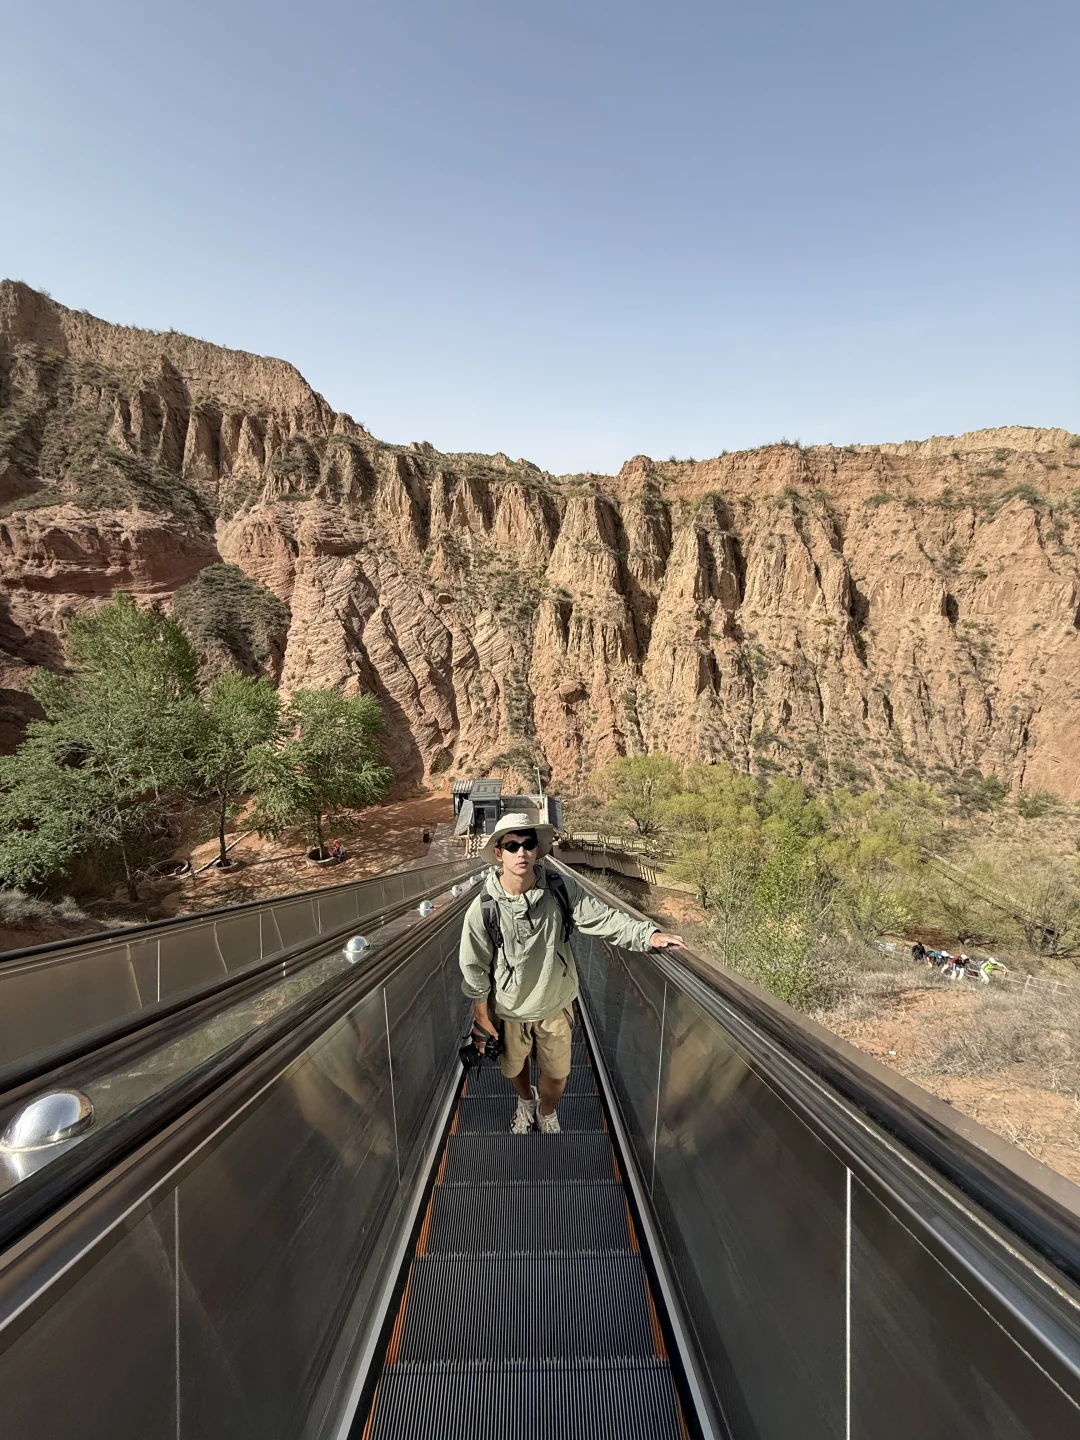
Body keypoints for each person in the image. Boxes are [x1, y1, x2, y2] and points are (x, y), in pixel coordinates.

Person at [458, 811, 685, 1135]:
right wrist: (481, 1016)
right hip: (509, 1009)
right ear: (499, 853)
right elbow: (475, 967)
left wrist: (647, 935)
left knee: (558, 1077)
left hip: (555, 1003)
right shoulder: (483, 909)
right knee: (514, 1068)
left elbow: (603, 918)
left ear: (537, 849)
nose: (521, 852)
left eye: (528, 844)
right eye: (512, 846)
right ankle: (526, 1101)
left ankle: (546, 1110)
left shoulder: (559, 890)